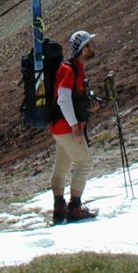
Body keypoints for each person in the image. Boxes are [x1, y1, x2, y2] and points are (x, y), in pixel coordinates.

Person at [49, 30, 100, 225]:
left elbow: (71, 99)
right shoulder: (70, 70)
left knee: (62, 165)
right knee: (84, 163)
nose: (94, 48)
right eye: (91, 44)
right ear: (84, 48)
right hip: (66, 127)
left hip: (60, 127)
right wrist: (75, 127)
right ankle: (74, 207)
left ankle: (59, 207)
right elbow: (63, 99)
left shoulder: (75, 69)